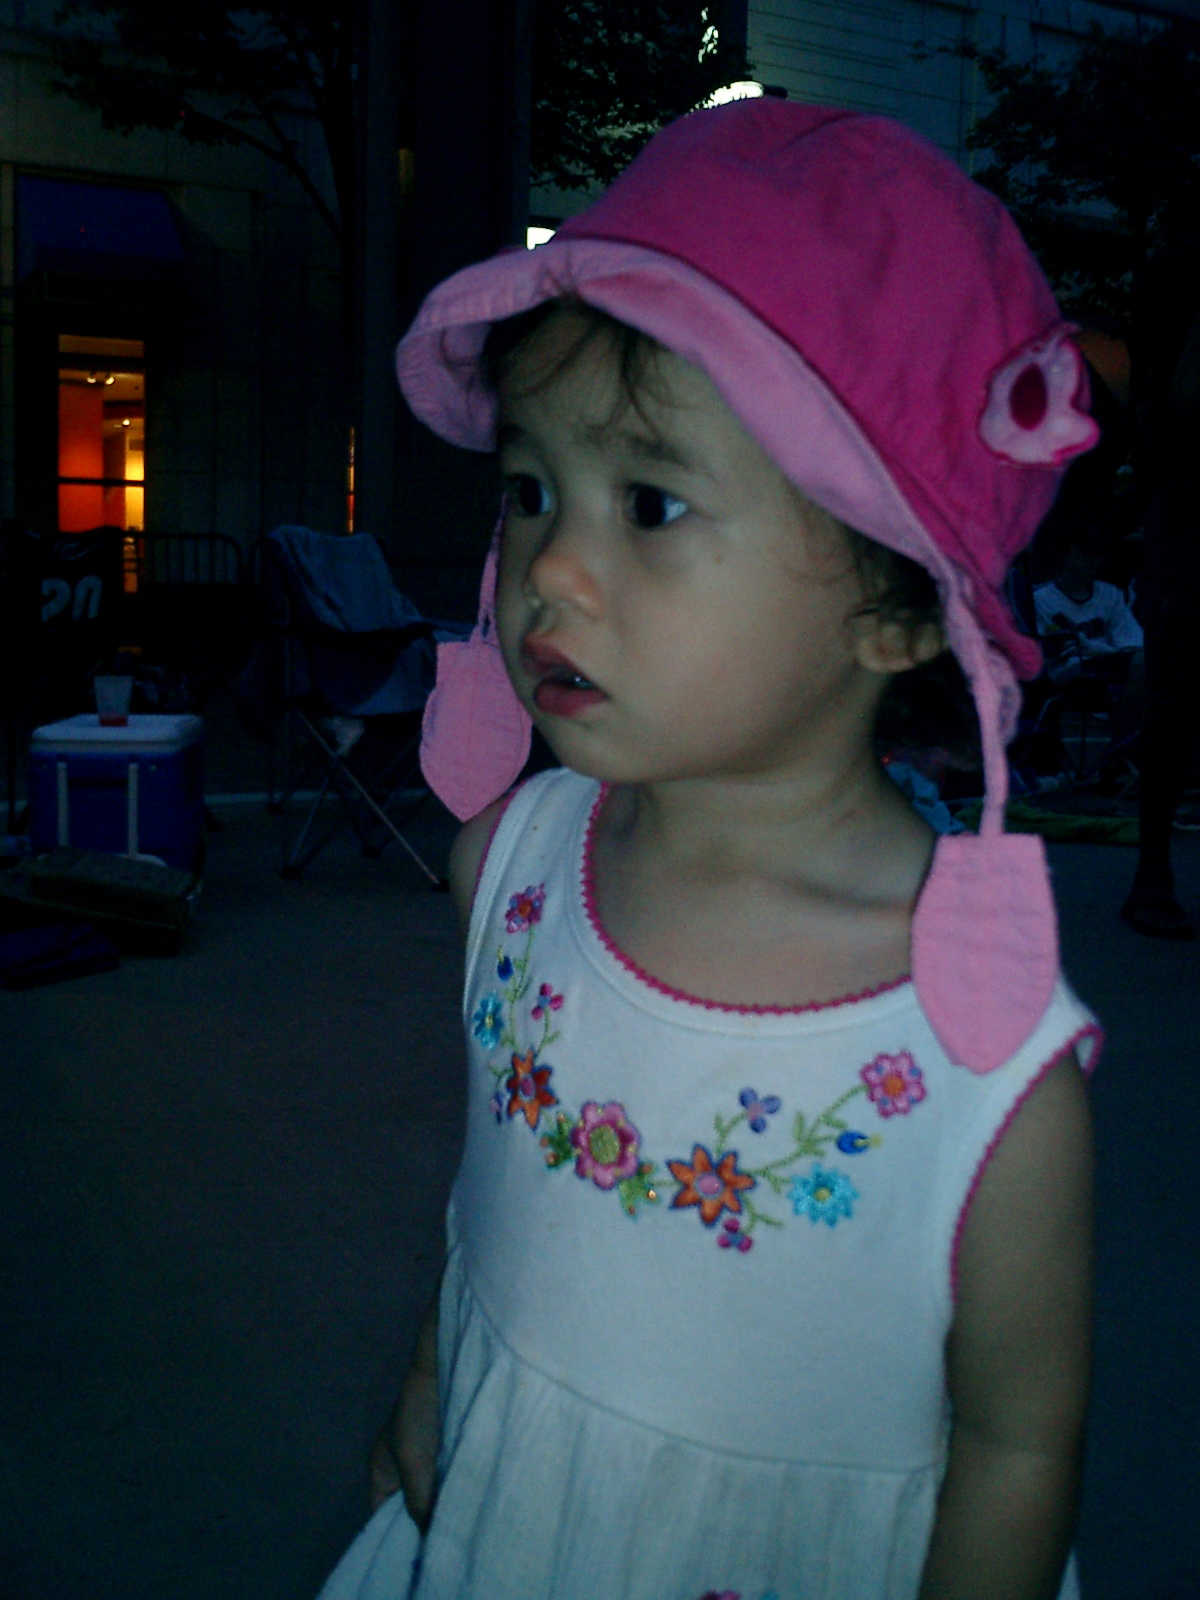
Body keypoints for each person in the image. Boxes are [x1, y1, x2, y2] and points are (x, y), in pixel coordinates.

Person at [318, 101, 1101, 1600]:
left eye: (652, 503)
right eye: (531, 490)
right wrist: (435, 1374)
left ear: (898, 610)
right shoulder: (510, 870)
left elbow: (1017, 1447)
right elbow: (492, 1207)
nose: (549, 566)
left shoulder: (973, 1049)